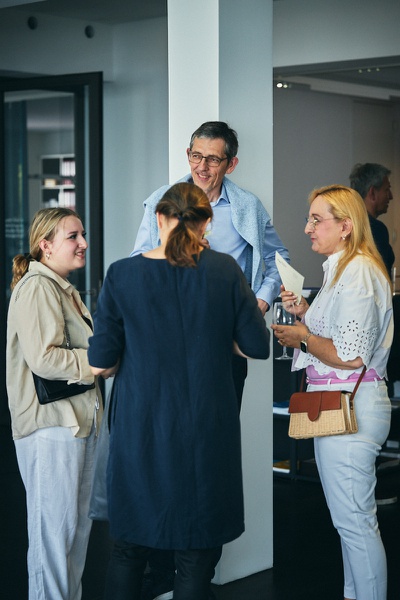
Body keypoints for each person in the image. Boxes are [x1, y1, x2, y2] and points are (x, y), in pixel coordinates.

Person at [88, 182, 270, 600]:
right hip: (205, 432)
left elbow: (101, 364)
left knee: (129, 550)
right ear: (206, 224)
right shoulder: (225, 270)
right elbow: (255, 346)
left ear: (159, 218)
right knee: (195, 556)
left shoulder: (122, 274)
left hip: (141, 432)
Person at [272, 185, 393, 600]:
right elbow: (341, 335)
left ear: (345, 226)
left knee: (356, 524)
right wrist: (306, 315)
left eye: (316, 219)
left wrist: (303, 337)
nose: (307, 228)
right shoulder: (343, 270)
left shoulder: (357, 271)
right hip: (339, 406)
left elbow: (351, 355)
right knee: (349, 523)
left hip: (350, 407)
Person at [132, 120, 289, 408]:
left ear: (231, 164)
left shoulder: (248, 207)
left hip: (227, 335)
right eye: (196, 156)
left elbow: (279, 259)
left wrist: (261, 301)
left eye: (213, 159)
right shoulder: (161, 201)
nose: (202, 167)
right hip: (170, 334)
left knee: (222, 420)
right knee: (173, 419)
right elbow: (139, 260)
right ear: (188, 154)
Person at [6, 207, 102, 600]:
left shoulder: (62, 288)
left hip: (75, 425)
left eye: (82, 234)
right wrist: (97, 362)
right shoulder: (37, 287)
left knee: (73, 538)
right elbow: (44, 358)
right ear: (45, 246)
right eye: (72, 236)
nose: (83, 243)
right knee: (54, 542)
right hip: (51, 428)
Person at [349, 162, 395, 277]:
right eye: (387, 190)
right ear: (373, 193)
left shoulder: (346, 225)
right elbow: (381, 277)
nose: (391, 196)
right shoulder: (376, 229)